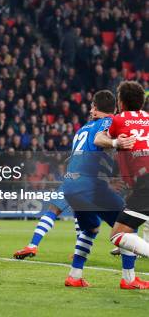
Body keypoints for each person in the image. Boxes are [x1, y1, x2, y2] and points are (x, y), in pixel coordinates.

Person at [61, 89, 145, 289]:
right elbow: (105, 143)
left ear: (95, 108)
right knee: (128, 225)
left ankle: (74, 276)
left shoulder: (81, 129)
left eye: (91, 106)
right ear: (114, 108)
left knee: (91, 228)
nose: (90, 110)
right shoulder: (110, 122)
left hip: (71, 186)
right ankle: (129, 279)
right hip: (91, 185)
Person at [96, 82, 149, 270]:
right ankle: (129, 278)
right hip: (142, 184)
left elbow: (98, 139)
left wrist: (116, 142)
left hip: (145, 184)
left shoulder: (119, 119)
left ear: (121, 102)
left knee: (117, 235)